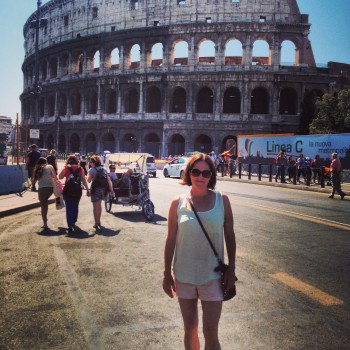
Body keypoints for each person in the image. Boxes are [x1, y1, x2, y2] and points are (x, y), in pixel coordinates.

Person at [163, 153, 236, 350]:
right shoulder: (177, 203)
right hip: (184, 275)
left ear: (211, 175)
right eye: (196, 172)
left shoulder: (223, 201)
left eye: (205, 172)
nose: (200, 176)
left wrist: (231, 269)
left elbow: (230, 236)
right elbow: (170, 240)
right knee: (190, 328)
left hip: (212, 277)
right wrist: (166, 274)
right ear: (188, 173)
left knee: (211, 332)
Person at [59, 154, 90, 232]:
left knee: (69, 207)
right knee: (76, 206)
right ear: (77, 161)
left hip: (68, 190)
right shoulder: (81, 169)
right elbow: (83, 180)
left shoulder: (66, 168)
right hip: (77, 190)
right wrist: (87, 189)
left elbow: (60, 177)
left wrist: (66, 171)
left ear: (68, 161)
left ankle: (70, 224)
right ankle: (74, 221)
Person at [87, 155, 113, 229]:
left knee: (95, 206)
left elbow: (88, 180)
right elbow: (108, 180)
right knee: (100, 205)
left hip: (95, 189)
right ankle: (99, 221)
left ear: (94, 163)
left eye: (91, 162)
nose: (90, 163)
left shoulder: (92, 170)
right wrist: (111, 190)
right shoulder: (104, 169)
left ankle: (96, 223)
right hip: (103, 189)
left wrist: (87, 176)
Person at [32, 157, 57, 229]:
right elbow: (55, 177)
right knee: (58, 196)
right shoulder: (50, 166)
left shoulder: (37, 169)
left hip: (42, 189)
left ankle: (45, 223)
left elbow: (34, 181)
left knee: (44, 206)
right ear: (46, 162)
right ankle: (59, 204)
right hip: (51, 187)